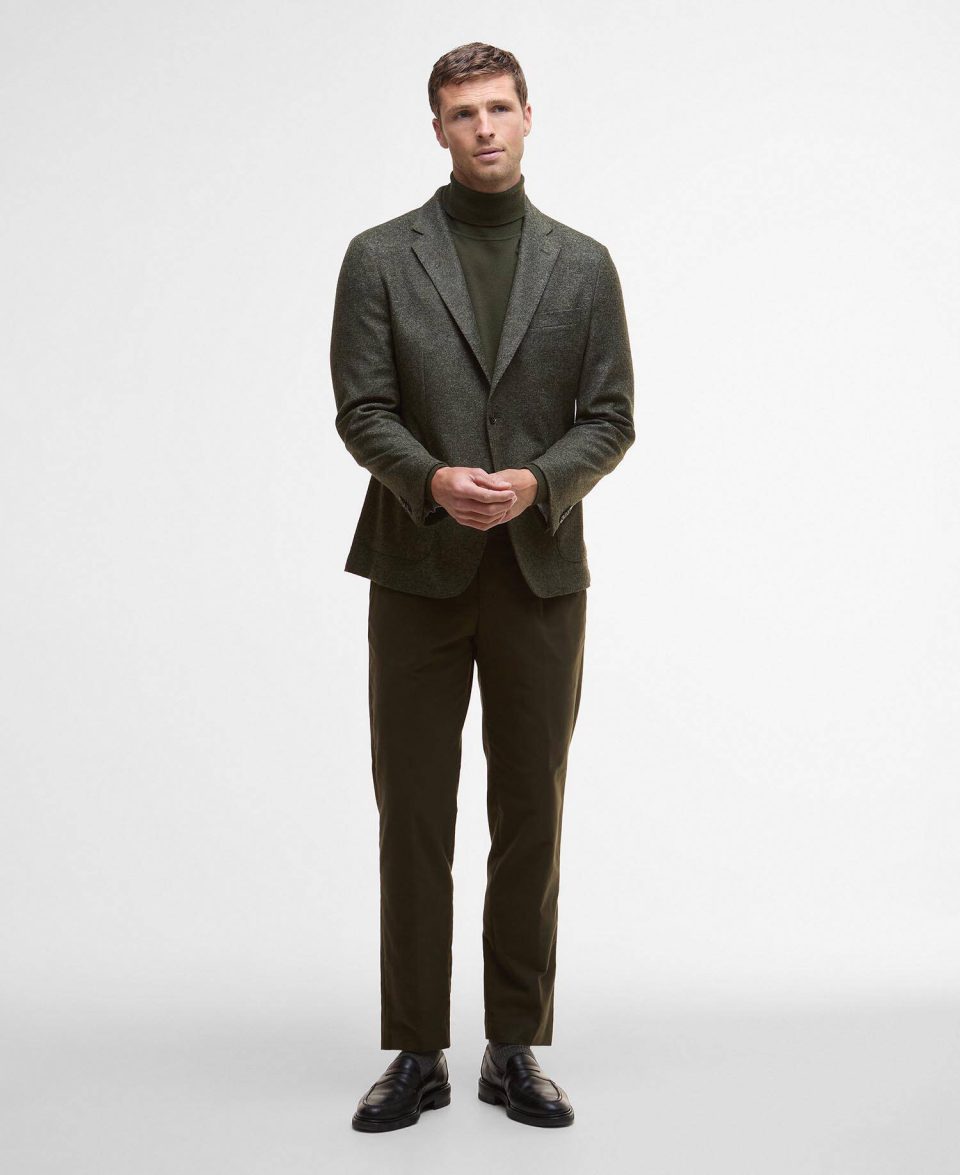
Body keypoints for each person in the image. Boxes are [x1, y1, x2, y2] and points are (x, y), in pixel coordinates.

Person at [330, 41, 635, 1132]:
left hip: (539, 571)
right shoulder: (379, 256)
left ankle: (515, 1045)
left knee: (530, 809)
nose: (484, 128)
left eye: (500, 108)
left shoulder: (582, 264)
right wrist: (431, 478)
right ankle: (416, 1049)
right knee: (414, 809)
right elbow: (363, 407)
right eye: (463, 113)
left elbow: (612, 417)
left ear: (528, 116)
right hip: (416, 566)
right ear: (439, 129)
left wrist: (539, 481)